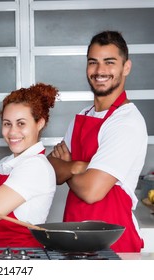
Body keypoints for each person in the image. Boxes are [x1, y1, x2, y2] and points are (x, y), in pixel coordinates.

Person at [48, 31, 148, 252]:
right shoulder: (84, 115)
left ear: (126, 67)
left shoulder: (126, 121)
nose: (100, 71)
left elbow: (92, 191)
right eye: (93, 62)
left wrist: (67, 168)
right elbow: (50, 171)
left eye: (109, 62)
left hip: (114, 244)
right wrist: (75, 166)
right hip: (74, 237)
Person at [0, 83, 58, 247]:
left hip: (21, 258)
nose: (12, 132)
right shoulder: (5, 163)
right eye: (7, 124)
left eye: (21, 123)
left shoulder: (36, 166)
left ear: (40, 123)